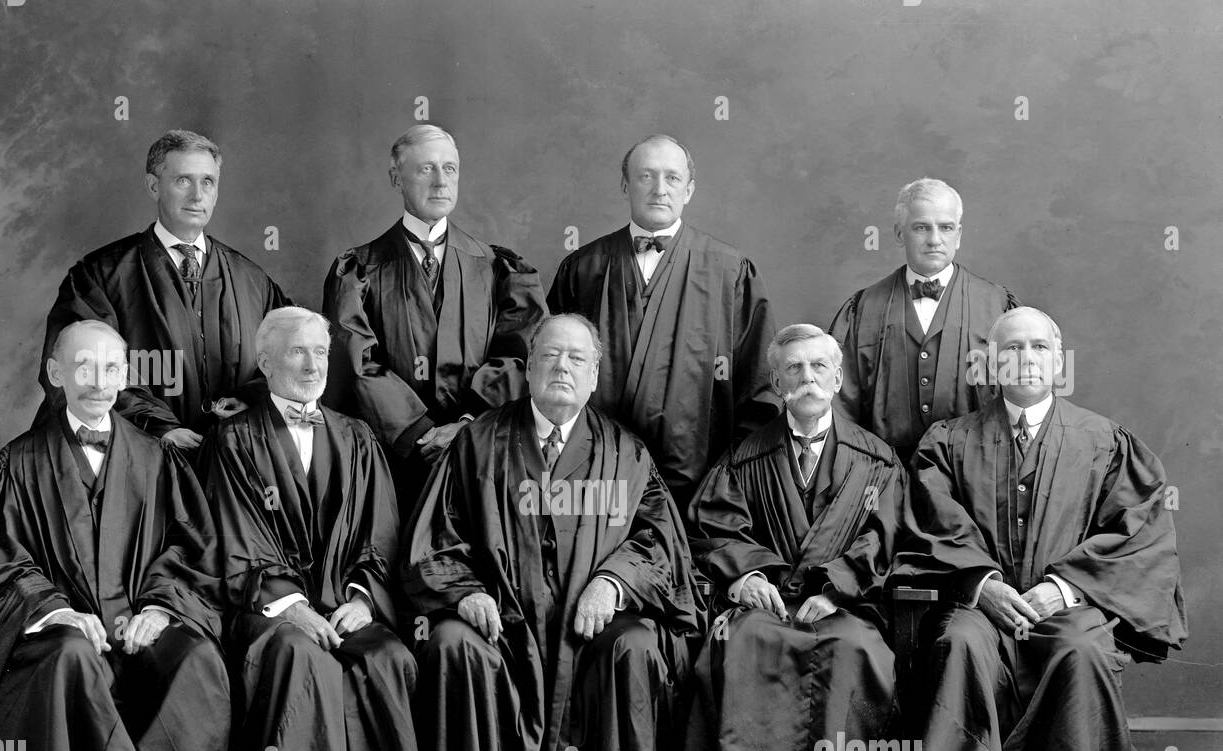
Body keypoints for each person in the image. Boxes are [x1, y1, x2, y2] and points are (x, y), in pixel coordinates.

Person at [894, 307, 1187, 751]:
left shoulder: (1104, 441)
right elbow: (932, 521)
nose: (1025, 358)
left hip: (1067, 609)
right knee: (959, 644)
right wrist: (983, 585)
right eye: (1010, 348)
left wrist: (1065, 587)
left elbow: (1139, 533)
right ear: (989, 363)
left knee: (1081, 650)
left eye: (1037, 347)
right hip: (982, 607)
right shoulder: (949, 441)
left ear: (1057, 360)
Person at [402, 313, 699, 751]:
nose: (562, 367)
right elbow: (436, 535)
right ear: (529, 366)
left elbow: (660, 541)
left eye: (577, 358)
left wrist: (613, 582)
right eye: (550, 355)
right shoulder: (478, 440)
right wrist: (465, 592)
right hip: (503, 626)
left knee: (636, 646)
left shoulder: (626, 452)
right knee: (452, 644)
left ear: (595, 375)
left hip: (588, 634)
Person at [0, 321, 231, 751]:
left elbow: (191, 548)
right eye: (83, 366)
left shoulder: (155, 457)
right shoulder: (20, 461)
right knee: (71, 656)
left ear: (126, 375)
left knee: (195, 658)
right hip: (59, 629)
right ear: (55, 373)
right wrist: (57, 610)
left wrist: (159, 608)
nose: (99, 381)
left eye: (111, 368)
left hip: (139, 618)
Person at [201, 307, 434, 751]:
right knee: (301, 654)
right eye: (298, 352)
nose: (313, 365)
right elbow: (235, 539)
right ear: (265, 362)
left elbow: (381, 532)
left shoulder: (356, 437)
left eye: (322, 352)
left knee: (386, 657)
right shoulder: (235, 439)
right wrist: (293, 607)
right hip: (264, 609)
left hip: (342, 603)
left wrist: (361, 598)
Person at [673, 324, 907, 751]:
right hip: (767, 608)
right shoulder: (743, 458)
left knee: (855, 652)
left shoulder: (877, 462)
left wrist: (835, 587)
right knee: (744, 645)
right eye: (794, 369)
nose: (808, 378)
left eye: (819, 367)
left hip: (844, 609)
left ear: (838, 378)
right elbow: (713, 529)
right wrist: (746, 576)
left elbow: (885, 537)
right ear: (776, 382)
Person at [546, 134, 777, 510]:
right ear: (625, 185)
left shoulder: (731, 271)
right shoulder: (583, 268)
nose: (659, 189)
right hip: (595, 480)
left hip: (700, 485)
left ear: (689, 190)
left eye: (672, 178)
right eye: (646, 176)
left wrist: (728, 476)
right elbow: (551, 372)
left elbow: (758, 387)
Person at [322, 124, 547, 508]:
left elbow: (521, 353)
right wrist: (420, 434)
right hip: (391, 457)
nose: (441, 182)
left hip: (480, 452)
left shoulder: (497, 267)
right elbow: (354, 359)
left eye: (450, 169)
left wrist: (467, 424)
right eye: (426, 169)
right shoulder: (359, 269)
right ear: (397, 178)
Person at [36, 129, 291, 450]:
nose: (197, 195)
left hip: (230, 458)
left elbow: (288, 356)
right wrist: (159, 429)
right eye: (183, 180)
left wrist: (248, 399)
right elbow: (77, 367)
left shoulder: (251, 279)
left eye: (208, 182)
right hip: (134, 456)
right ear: (153, 186)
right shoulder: (99, 276)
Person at [828, 178, 1017, 463]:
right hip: (883, 472)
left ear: (959, 235)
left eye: (946, 227)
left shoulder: (998, 305)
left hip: (976, 472)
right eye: (921, 227)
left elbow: (1020, 400)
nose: (934, 239)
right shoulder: (864, 307)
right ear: (899, 234)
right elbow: (841, 407)